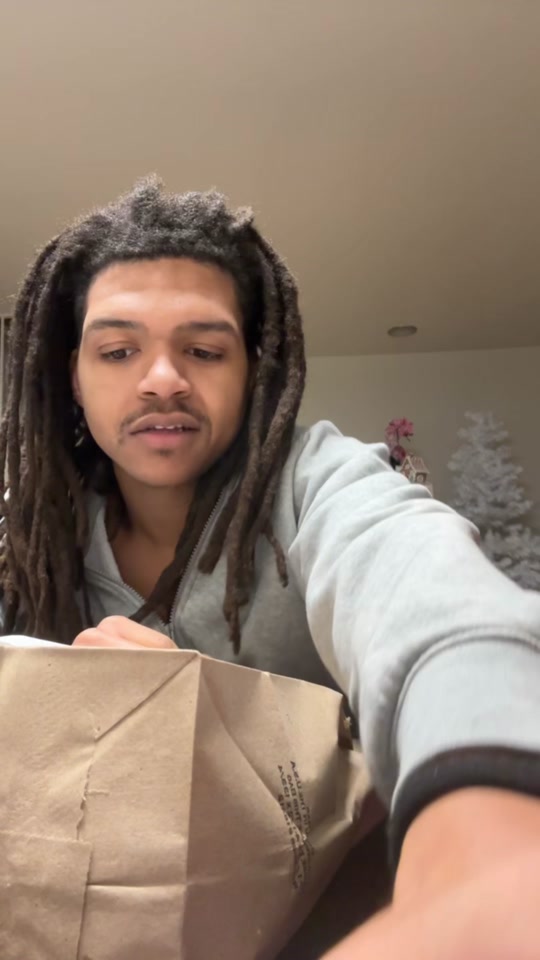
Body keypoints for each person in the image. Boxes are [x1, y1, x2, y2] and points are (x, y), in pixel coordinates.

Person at [1, 177, 539, 959]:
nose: (162, 379)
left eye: (204, 350)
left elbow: (437, 609)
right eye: (118, 351)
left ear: (254, 370)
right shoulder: (33, 535)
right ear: (72, 376)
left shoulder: (318, 484)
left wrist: (488, 840)